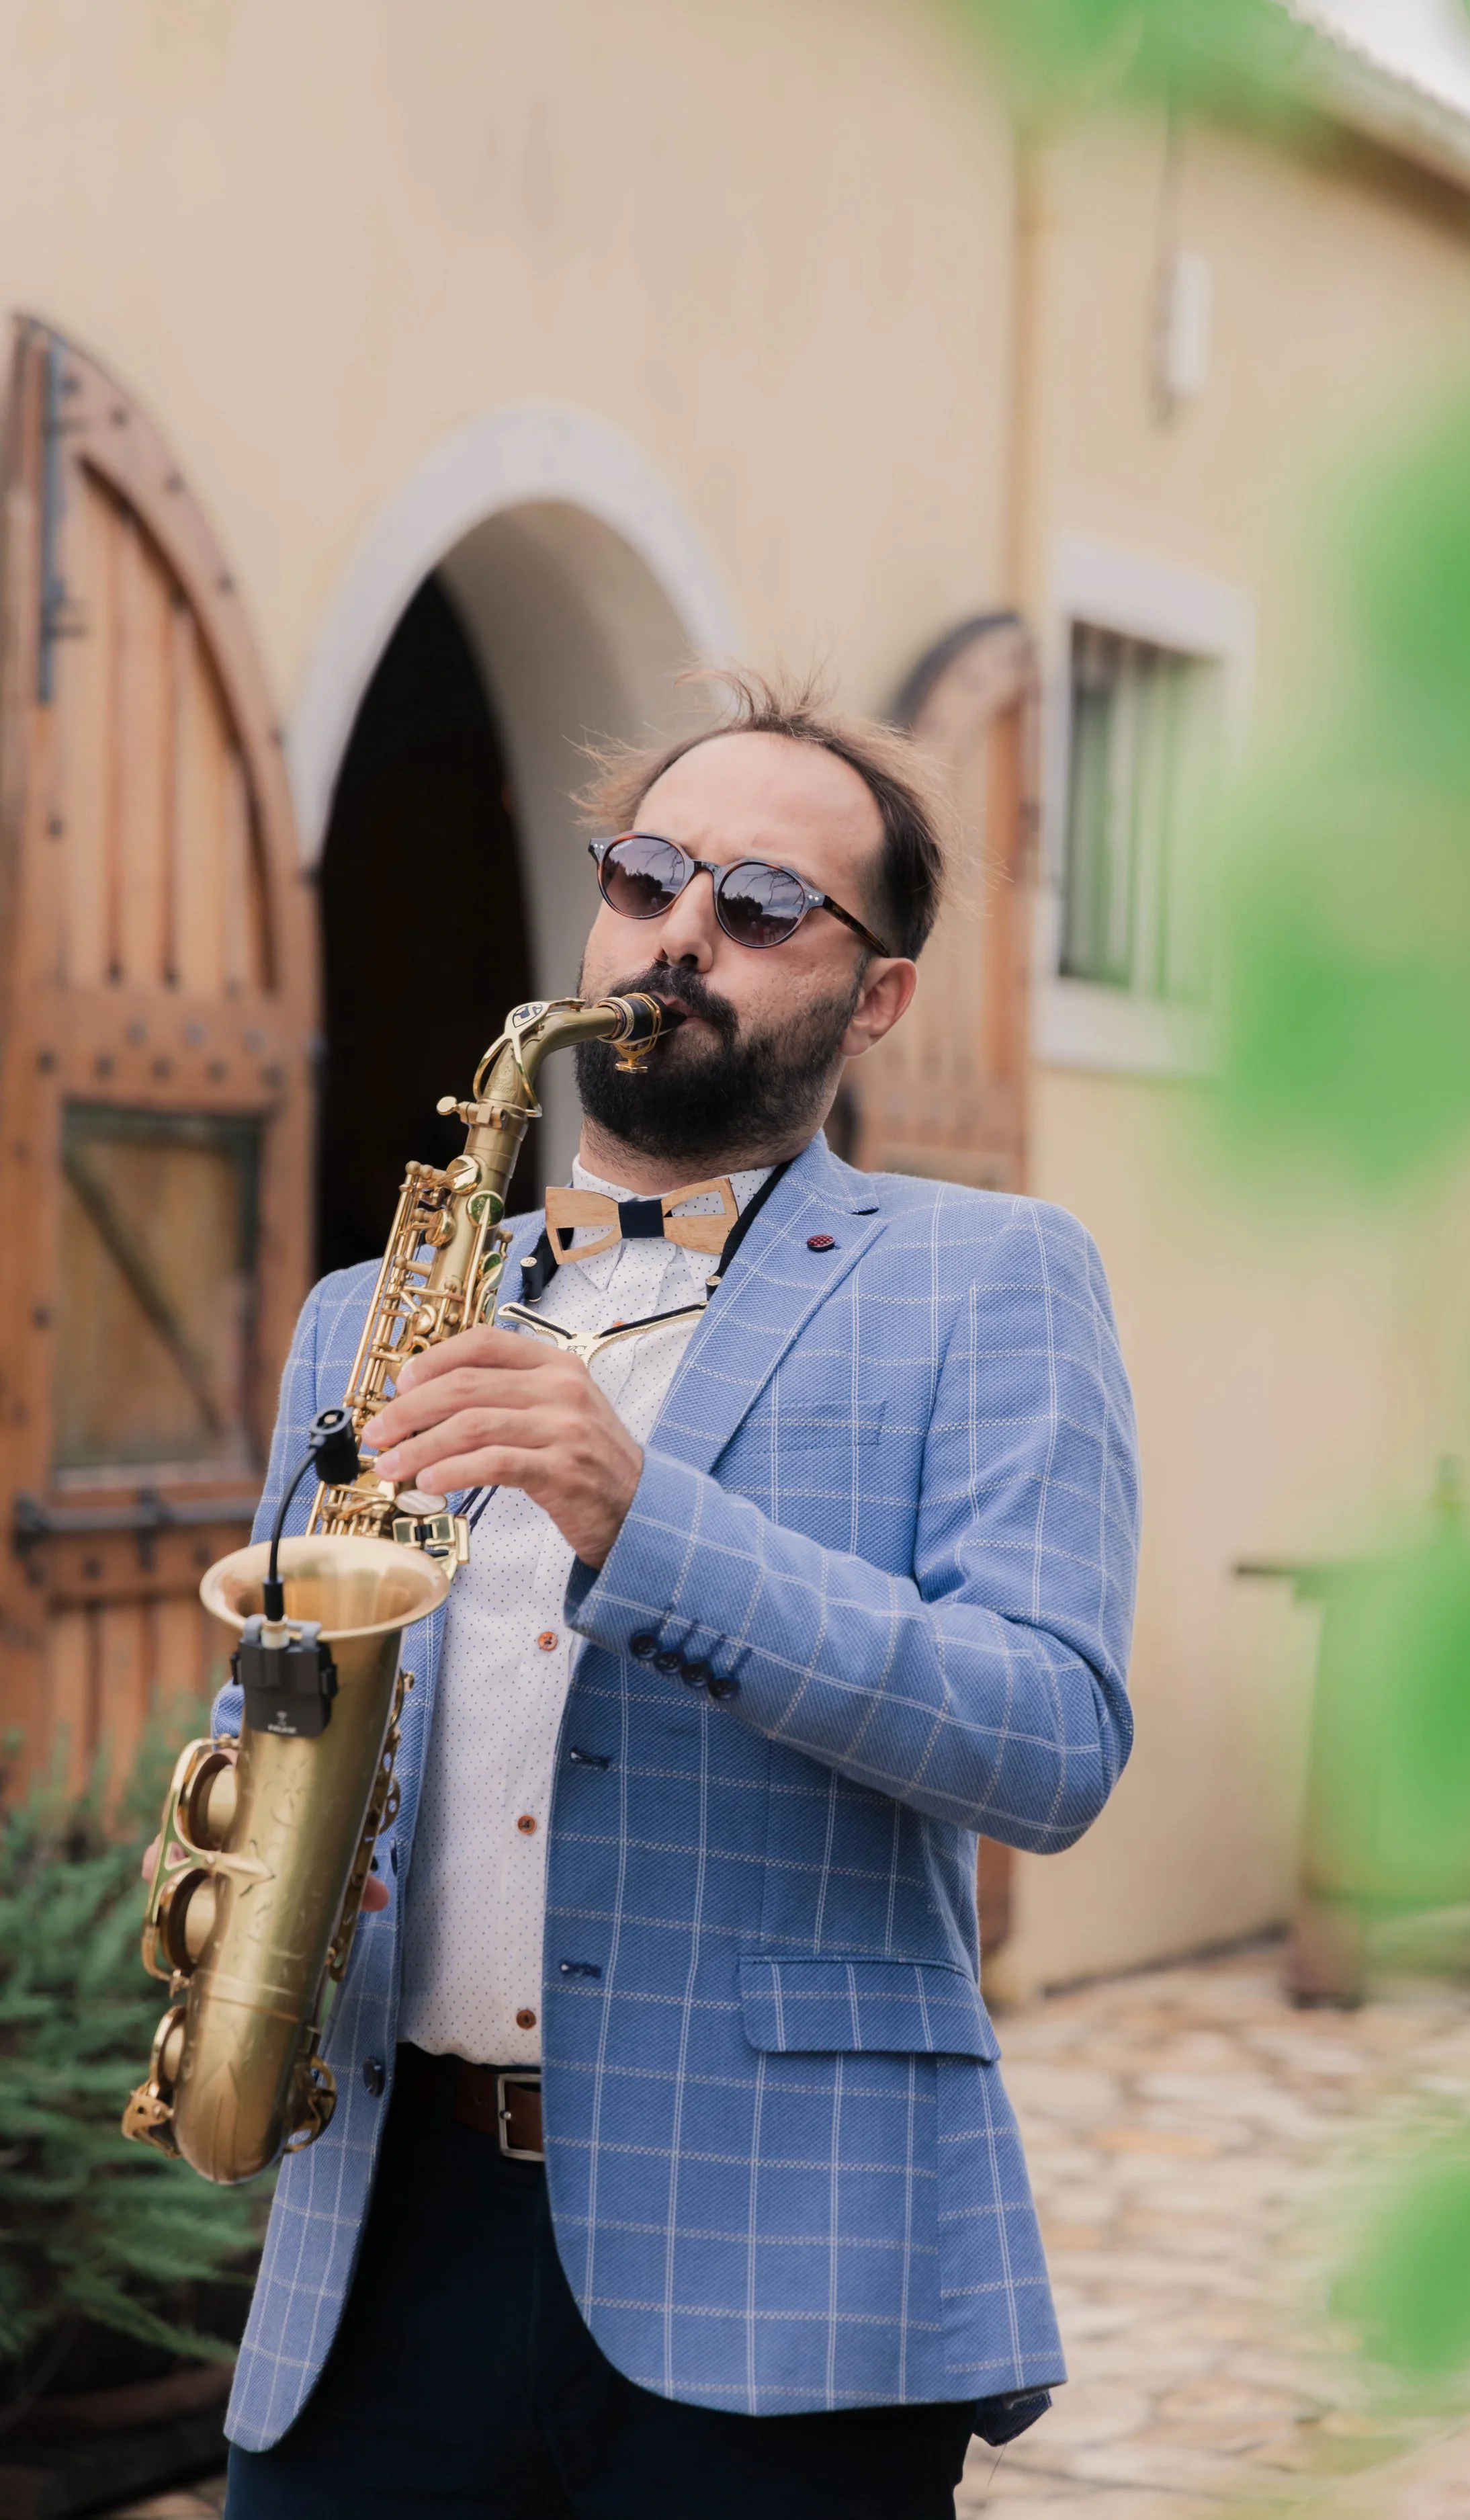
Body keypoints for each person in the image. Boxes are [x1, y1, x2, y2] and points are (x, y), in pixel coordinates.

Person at [217, 671, 1139, 2519]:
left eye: (760, 904)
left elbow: (1045, 1737)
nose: (679, 931)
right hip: (383, 2243)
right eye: (644, 876)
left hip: (785, 2272)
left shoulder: (989, 1276)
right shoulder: (364, 1313)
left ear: (873, 991)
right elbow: (284, 1716)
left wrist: (644, 1517)